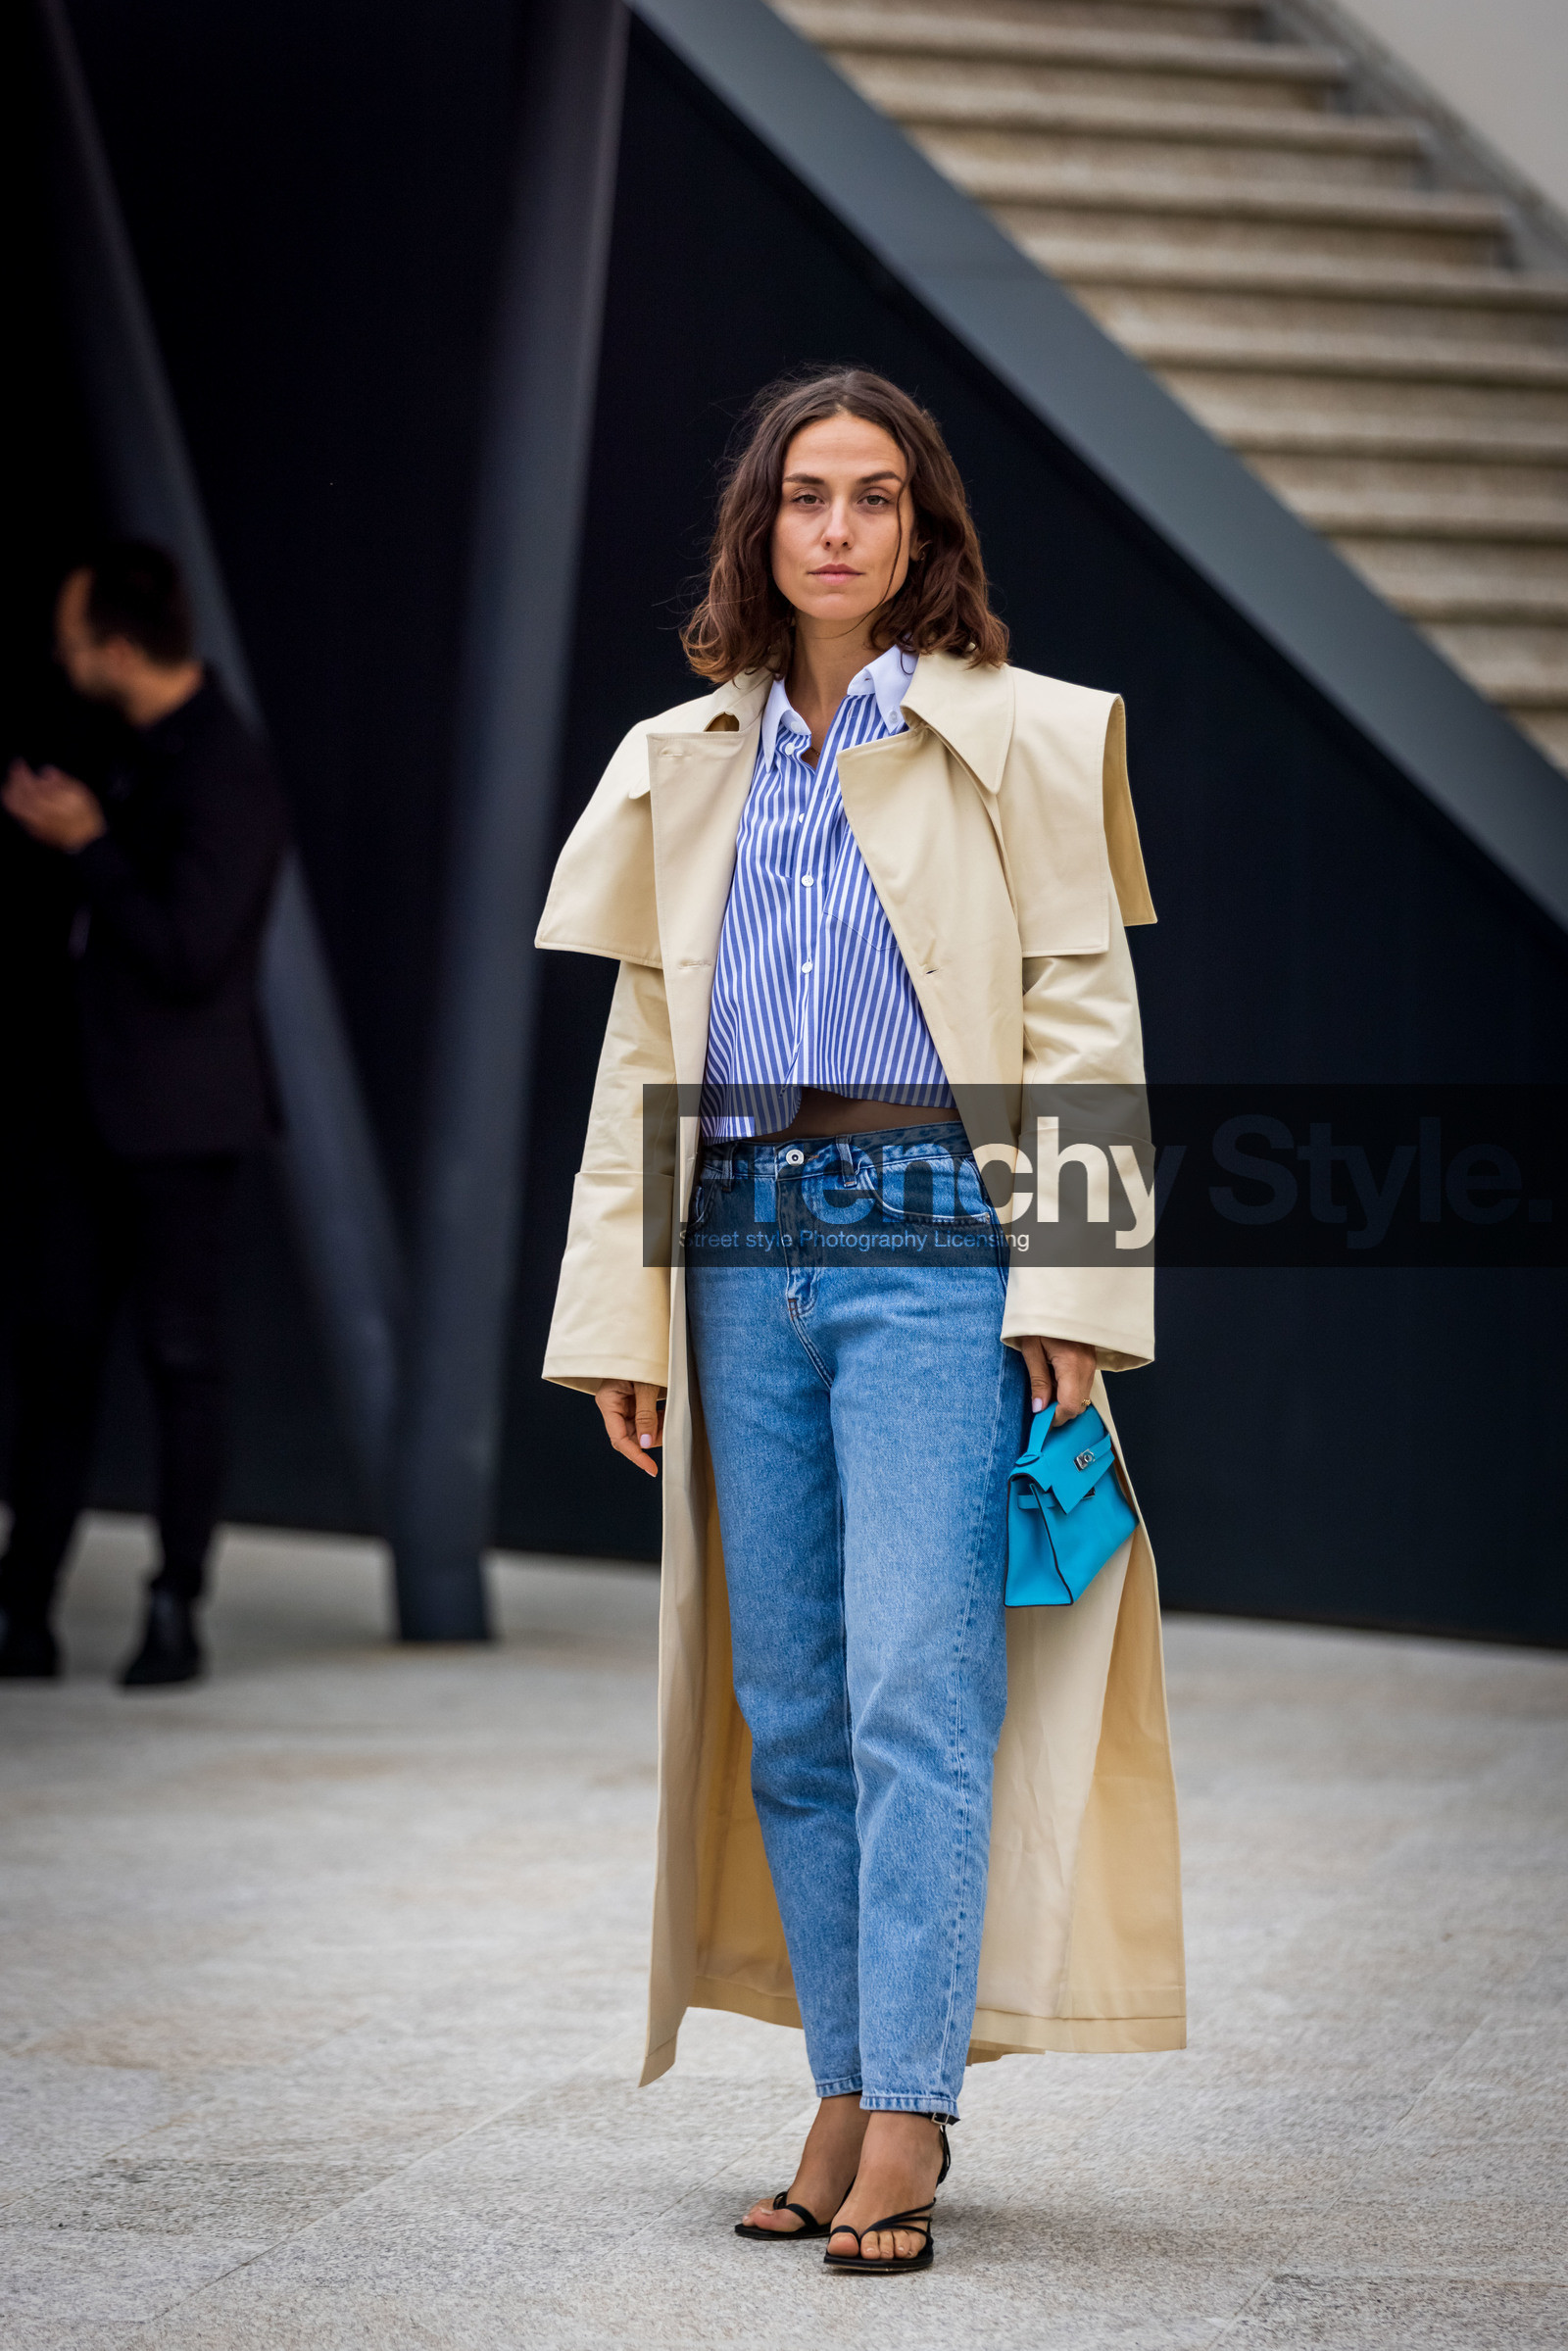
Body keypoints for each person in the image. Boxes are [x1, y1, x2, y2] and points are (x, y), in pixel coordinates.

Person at [535, 369, 1184, 2273]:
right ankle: (845, 2070)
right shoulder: (685, 757)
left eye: (873, 497)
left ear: (921, 532)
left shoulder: (1019, 737)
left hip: (930, 1249)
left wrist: (1069, 1286)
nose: (835, 527)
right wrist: (617, 1318)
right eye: (804, 495)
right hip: (740, 1248)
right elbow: (645, 1044)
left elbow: (1078, 1009)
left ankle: (906, 2102)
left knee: (916, 1682)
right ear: (761, 528)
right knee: (789, 1697)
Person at [0, 541, 288, 1686]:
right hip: (78, 1115)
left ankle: (176, 1603)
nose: (63, 659)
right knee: (54, 1356)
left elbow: (187, 949)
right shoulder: (109, 749)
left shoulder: (226, 768)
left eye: (74, 639)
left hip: (178, 1123)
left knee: (183, 1362)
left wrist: (93, 849)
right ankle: (25, 1601)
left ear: (119, 646)